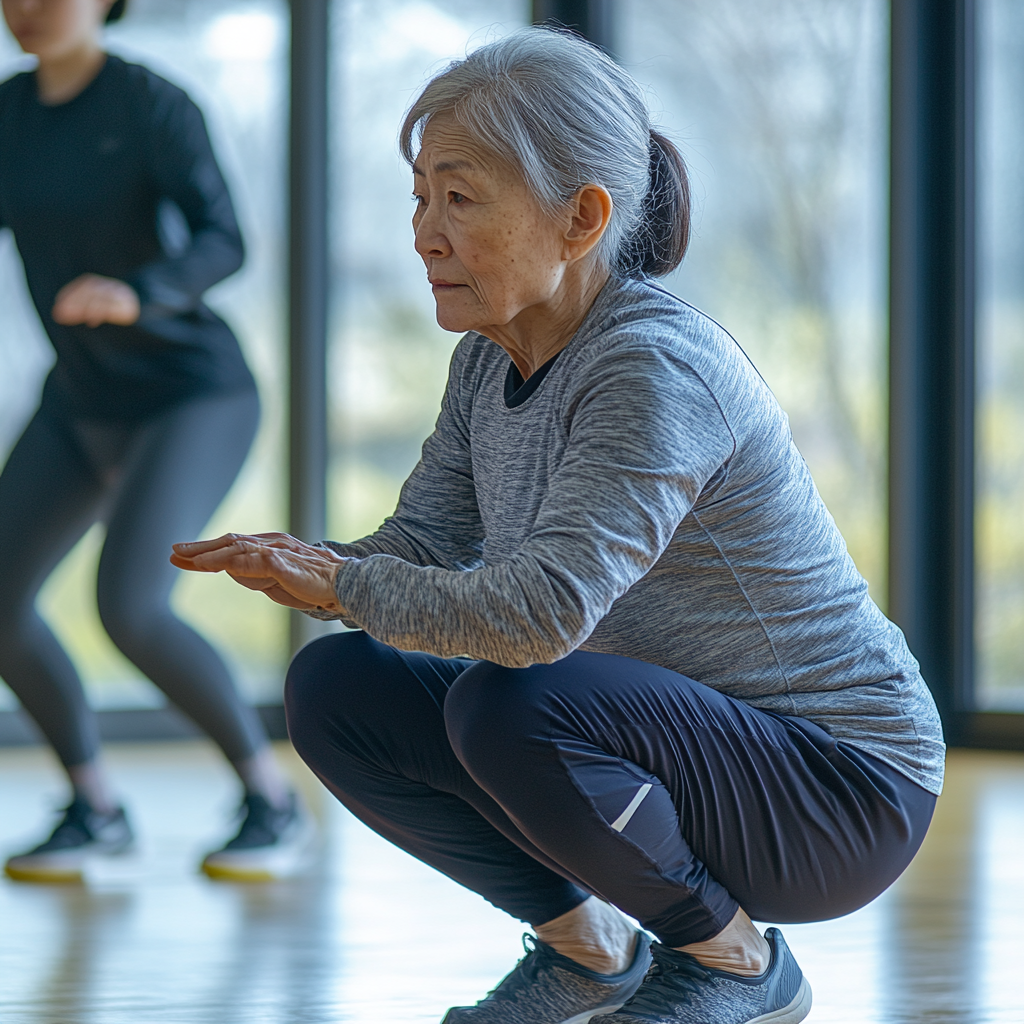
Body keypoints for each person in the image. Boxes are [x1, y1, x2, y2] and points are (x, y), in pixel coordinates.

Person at [172, 27, 945, 1024]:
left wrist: (340, 583)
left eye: (459, 198)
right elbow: (424, 543)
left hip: (840, 788)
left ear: (581, 218)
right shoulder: (487, 359)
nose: (423, 232)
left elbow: (538, 619)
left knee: (509, 703)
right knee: (338, 685)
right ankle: (590, 949)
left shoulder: (651, 367)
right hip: (679, 743)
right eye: (419, 197)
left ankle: (737, 963)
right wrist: (312, 565)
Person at [0, 0, 311, 883]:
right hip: (80, 398)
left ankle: (270, 798)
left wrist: (139, 291)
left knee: (130, 606)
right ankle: (95, 808)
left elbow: (226, 241)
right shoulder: (10, 115)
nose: (25, 8)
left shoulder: (151, 104)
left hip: (192, 394)